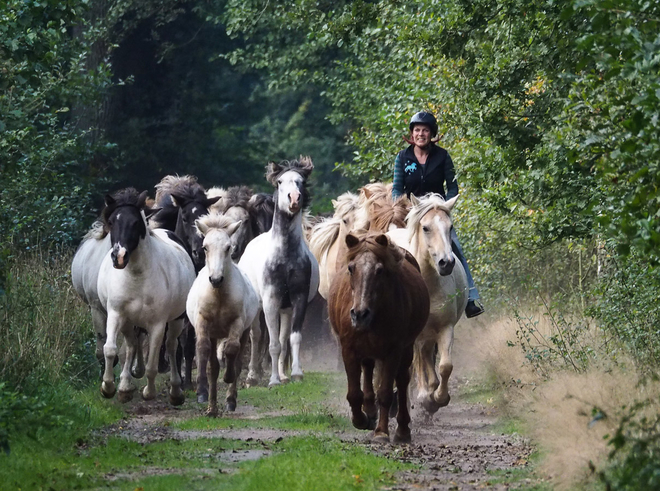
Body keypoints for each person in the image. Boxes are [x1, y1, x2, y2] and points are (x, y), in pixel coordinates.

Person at [392, 111, 485, 318]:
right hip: (413, 215)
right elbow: (397, 190)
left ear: (431, 133)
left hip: (437, 214)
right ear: (412, 133)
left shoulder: (442, 156)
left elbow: (453, 187)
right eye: (417, 130)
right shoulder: (402, 157)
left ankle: (470, 297)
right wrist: (405, 208)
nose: (420, 134)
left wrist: (441, 205)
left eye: (425, 130)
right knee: (388, 250)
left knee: (456, 248)